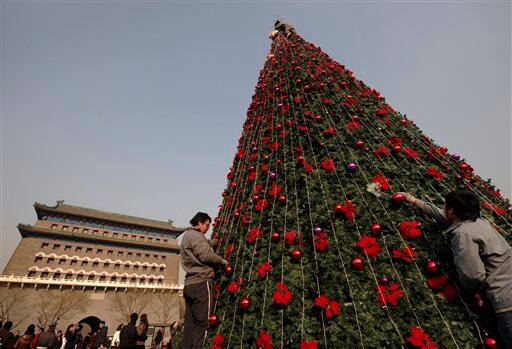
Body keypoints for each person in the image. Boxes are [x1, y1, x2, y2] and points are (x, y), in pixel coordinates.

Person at [401, 190, 512, 347]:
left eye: (445, 206)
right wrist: (414, 201)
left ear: (451, 210)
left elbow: (472, 276)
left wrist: (465, 290)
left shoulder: (462, 234)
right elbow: (444, 216)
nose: (443, 209)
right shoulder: (479, 223)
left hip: (506, 300)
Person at [180, 212, 228, 349]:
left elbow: (204, 243)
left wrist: (215, 242)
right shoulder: (196, 236)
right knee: (203, 323)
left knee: (190, 324)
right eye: (207, 225)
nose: (208, 228)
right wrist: (222, 261)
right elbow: (206, 255)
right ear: (200, 222)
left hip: (189, 285)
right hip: (201, 284)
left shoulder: (187, 236)